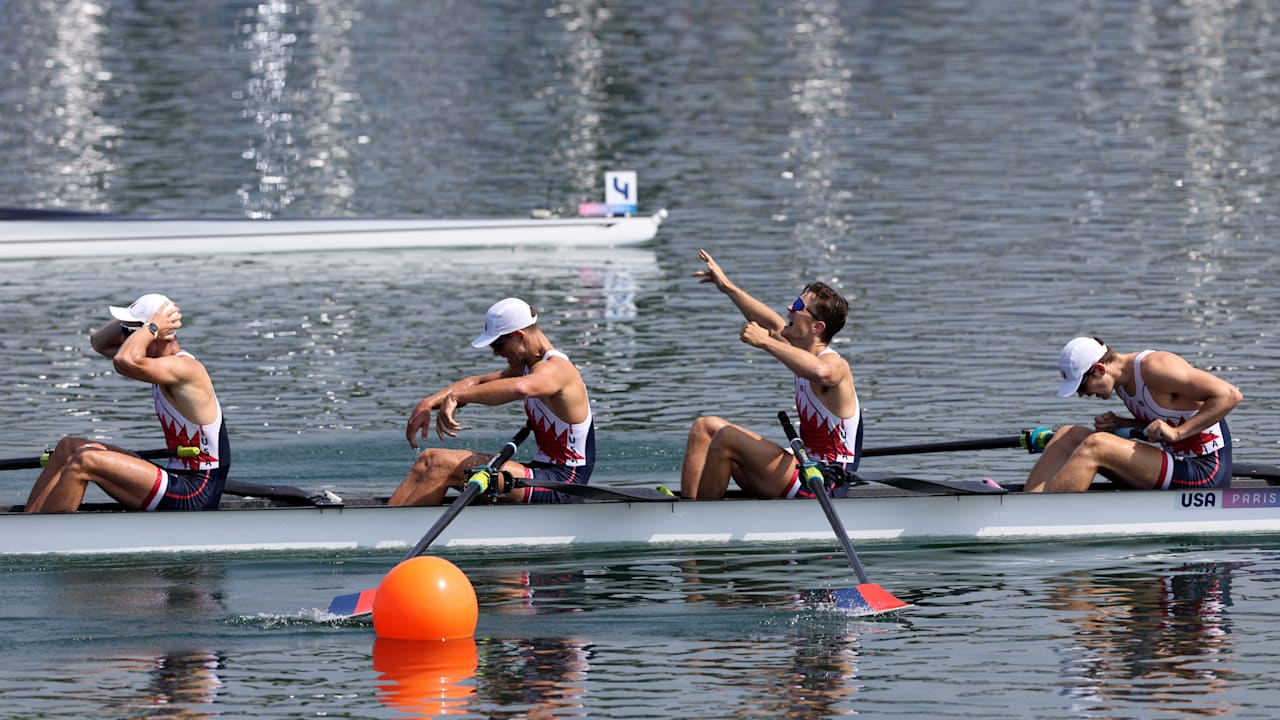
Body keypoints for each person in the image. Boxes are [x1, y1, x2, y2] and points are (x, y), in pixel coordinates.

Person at [680, 249, 862, 500]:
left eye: (799, 306)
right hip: (804, 468)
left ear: (816, 327)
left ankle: (703, 521)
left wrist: (765, 343)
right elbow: (772, 324)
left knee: (728, 438)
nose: (789, 307)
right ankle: (686, 510)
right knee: (705, 427)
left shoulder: (835, 364)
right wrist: (727, 287)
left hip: (825, 481)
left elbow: (822, 373)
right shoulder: (799, 351)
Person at [25, 294, 231, 513]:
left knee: (85, 461)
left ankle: (50, 536)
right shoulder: (155, 363)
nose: (124, 338)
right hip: (177, 477)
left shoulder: (185, 369)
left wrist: (151, 325)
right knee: (68, 447)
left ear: (157, 334)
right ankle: (28, 523)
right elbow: (99, 342)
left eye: (129, 332)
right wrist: (144, 322)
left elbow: (123, 361)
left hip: (196, 490)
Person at [389, 297, 595, 506]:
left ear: (519, 336)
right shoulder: (530, 366)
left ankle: (398, 533)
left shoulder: (556, 369)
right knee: (428, 459)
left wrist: (456, 397)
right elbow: (475, 381)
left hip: (564, 483)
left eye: (498, 344)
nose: (496, 352)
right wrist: (428, 403)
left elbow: (520, 388)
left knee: (442, 464)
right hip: (540, 472)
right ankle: (387, 524)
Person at [1025, 336, 1242, 493]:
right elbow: (1167, 416)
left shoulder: (1157, 367)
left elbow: (1229, 395)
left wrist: (1178, 433)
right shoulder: (1120, 383)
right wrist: (1121, 423)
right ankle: (1026, 506)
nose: (1083, 395)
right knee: (1068, 434)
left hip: (1205, 471)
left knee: (1096, 445)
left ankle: (1046, 517)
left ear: (1100, 369)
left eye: (1082, 387)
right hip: (1177, 464)